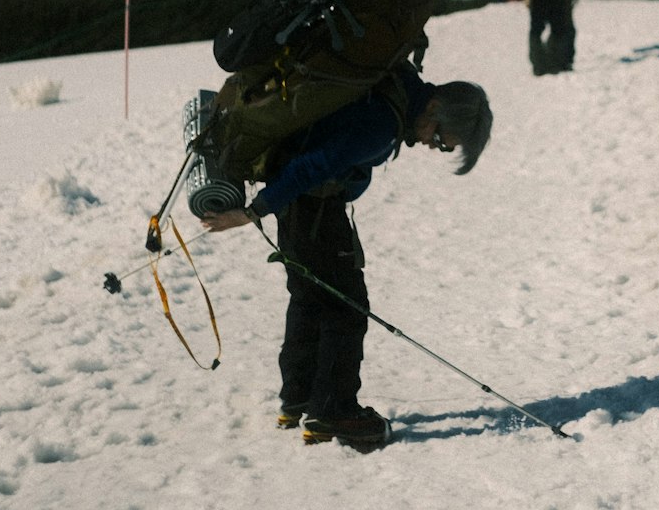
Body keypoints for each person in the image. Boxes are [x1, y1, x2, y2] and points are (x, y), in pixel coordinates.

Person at [201, 65, 492, 448]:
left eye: (442, 146)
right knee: (346, 307)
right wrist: (252, 212)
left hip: (301, 207)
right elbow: (314, 165)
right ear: (434, 105)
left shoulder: (395, 83)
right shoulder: (383, 122)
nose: (429, 144)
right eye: (438, 137)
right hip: (314, 207)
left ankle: (298, 398)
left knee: (309, 298)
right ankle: (333, 412)